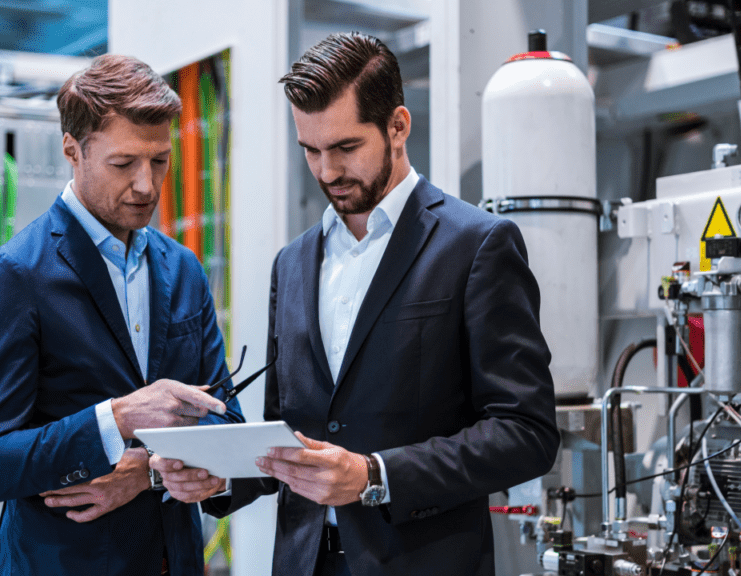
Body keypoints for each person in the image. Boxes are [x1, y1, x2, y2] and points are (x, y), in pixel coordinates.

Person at [151, 32, 560, 576]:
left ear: (397, 126)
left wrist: (375, 475)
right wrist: (219, 476)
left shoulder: (476, 245)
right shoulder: (292, 264)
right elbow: (288, 432)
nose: (326, 172)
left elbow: (525, 433)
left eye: (345, 149)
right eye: (310, 150)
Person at [0, 54, 244, 576]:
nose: (145, 185)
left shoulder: (182, 269)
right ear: (73, 150)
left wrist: (149, 475)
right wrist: (116, 419)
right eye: (123, 164)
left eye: (159, 161)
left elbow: (228, 424)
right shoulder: (14, 278)